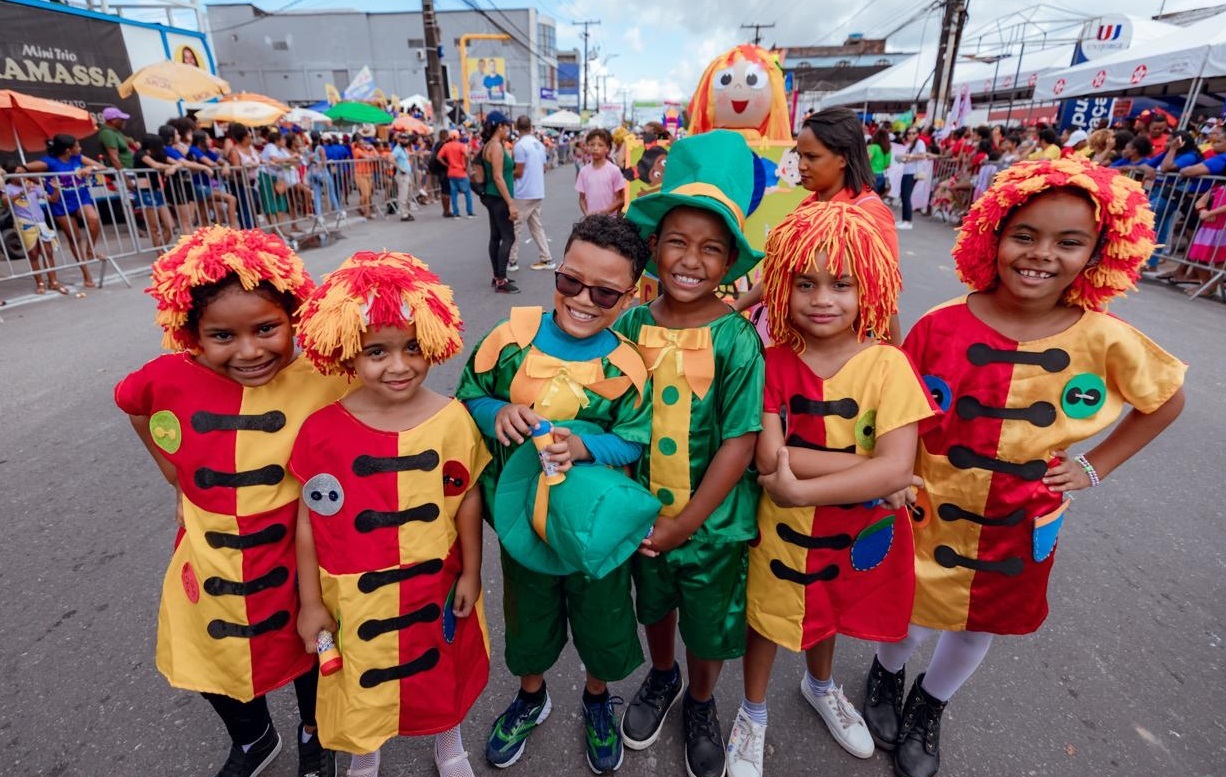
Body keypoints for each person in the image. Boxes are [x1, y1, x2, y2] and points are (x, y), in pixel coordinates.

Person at [860, 159, 1185, 777]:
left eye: (1069, 242)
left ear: (1098, 253)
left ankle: (931, 703)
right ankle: (886, 673)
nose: (1041, 255)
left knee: (981, 621)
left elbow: (1166, 399)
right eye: (1025, 235)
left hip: (1019, 517)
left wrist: (1095, 466)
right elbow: (894, 406)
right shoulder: (939, 324)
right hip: (929, 504)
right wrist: (887, 473)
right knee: (910, 609)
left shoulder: (1108, 338)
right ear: (993, 238)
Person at [114, 226, 349, 777]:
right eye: (222, 336)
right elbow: (134, 405)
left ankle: (316, 735)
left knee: (310, 648)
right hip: (211, 556)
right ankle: (254, 738)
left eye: (267, 328)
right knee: (212, 655)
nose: (249, 351)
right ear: (192, 332)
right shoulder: (168, 377)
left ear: (294, 316)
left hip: (299, 553)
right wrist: (176, 479)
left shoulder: (325, 379)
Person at [727, 200, 935, 777]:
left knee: (830, 606)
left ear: (869, 287)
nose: (822, 299)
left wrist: (802, 486)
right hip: (780, 531)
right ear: (781, 287)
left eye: (841, 284)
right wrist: (870, 469)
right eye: (805, 283)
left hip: (849, 527)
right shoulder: (768, 361)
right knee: (768, 616)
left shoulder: (890, 366)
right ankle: (752, 712)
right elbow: (769, 457)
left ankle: (821, 687)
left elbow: (895, 470)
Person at [455, 214, 653, 775]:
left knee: (603, 616)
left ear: (630, 296)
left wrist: (587, 448)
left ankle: (597, 698)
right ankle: (531, 695)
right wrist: (497, 412)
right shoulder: (508, 340)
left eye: (605, 293)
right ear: (557, 272)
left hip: (593, 525)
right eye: (571, 281)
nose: (583, 300)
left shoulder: (627, 364)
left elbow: (634, 439)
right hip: (524, 522)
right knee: (529, 614)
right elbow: (470, 395)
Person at [291, 250, 488, 777]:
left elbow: (467, 496)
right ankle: (365, 750)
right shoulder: (320, 430)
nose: (398, 366)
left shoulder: (453, 419)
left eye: (412, 347)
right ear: (347, 351)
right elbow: (308, 519)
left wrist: (471, 571)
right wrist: (310, 602)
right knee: (362, 673)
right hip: (353, 593)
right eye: (376, 351)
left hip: (434, 580)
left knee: (441, 662)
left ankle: (449, 743)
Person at [614, 131, 766, 777]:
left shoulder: (736, 338)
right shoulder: (630, 325)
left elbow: (740, 439)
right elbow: (611, 414)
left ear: (729, 260)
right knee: (654, 602)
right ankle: (662, 674)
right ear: (654, 247)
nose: (691, 260)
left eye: (710, 248)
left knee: (708, 623)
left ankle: (701, 700)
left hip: (713, 525)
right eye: (677, 241)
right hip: (644, 514)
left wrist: (687, 523)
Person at [24, 134, 103, 287]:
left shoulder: (78, 158)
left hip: (81, 199)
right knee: (75, 238)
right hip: (61, 204)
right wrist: (41, 182)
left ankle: (90, 251)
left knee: (93, 218)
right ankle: (86, 275)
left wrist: (90, 168)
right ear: (68, 150)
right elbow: (24, 168)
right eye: (77, 146)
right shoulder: (50, 162)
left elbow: (101, 166)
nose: (80, 148)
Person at [2, 160, 66, 294]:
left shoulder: (32, 185)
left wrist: (56, 189)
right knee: (33, 254)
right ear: (11, 176)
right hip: (24, 224)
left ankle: (53, 281)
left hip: (41, 223)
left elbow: (52, 199)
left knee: (48, 252)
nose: (22, 176)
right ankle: (40, 283)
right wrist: (22, 193)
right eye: (18, 174)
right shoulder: (8, 188)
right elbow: (6, 202)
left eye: (23, 173)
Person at [479, 111, 520, 293]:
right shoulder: (495, 146)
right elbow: (497, 176)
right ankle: (501, 280)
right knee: (508, 237)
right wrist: (510, 202)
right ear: (500, 127)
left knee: (496, 236)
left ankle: (498, 276)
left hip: (492, 196)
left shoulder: (490, 145)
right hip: (499, 197)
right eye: (506, 127)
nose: (508, 130)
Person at [511, 115, 555, 272]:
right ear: (530, 127)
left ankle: (511, 260)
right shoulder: (539, 145)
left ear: (517, 127)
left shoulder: (520, 146)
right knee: (536, 226)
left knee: (516, 226)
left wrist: (507, 174)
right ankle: (546, 257)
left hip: (524, 192)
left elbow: (519, 171)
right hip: (537, 190)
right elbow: (544, 167)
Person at [575, 128, 627, 216]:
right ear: (587, 147)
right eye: (592, 145)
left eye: (600, 145)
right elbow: (582, 199)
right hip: (591, 220)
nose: (595, 148)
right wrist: (587, 214)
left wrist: (606, 212)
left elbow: (621, 198)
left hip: (610, 220)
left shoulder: (614, 170)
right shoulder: (583, 171)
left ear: (607, 148)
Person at [226, 124, 262, 230]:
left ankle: (255, 231)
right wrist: (247, 167)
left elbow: (259, 159)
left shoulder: (251, 148)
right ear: (243, 137)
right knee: (245, 209)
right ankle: (248, 231)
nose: (251, 139)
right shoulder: (234, 151)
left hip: (253, 182)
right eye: (249, 137)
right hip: (241, 184)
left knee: (254, 207)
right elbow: (236, 168)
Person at [438, 130, 474, 219]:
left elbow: (438, 157)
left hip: (451, 172)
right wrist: (465, 166)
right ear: (458, 137)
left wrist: (447, 164)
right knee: (467, 193)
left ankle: (456, 213)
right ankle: (469, 212)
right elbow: (466, 155)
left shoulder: (446, 146)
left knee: (453, 194)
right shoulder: (461, 145)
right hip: (461, 172)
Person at [896, 126, 927, 230]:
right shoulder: (910, 145)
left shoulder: (920, 143)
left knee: (906, 196)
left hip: (913, 172)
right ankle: (904, 219)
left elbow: (923, 156)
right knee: (903, 195)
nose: (911, 135)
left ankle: (908, 221)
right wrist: (903, 159)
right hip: (907, 171)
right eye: (909, 133)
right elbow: (908, 158)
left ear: (917, 134)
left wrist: (910, 156)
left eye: (913, 133)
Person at [98, 106, 136, 171]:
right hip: (122, 172)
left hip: (128, 170)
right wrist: (124, 176)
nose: (124, 122)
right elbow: (114, 158)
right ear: (113, 120)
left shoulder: (116, 131)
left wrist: (132, 142)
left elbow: (126, 140)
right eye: (122, 119)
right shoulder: (107, 133)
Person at [391, 133, 417, 222]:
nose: (405, 140)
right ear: (399, 139)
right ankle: (404, 214)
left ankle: (407, 212)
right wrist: (400, 168)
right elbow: (390, 159)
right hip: (402, 175)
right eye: (403, 138)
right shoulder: (397, 149)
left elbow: (410, 156)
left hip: (407, 174)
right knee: (403, 195)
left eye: (406, 138)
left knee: (409, 194)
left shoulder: (404, 149)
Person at [429, 129, 454, 219]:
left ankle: (445, 210)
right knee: (446, 190)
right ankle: (447, 210)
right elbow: (440, 157)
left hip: (440, 170)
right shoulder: (443, 145)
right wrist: (447, 164)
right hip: (444, 170)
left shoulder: (437, 144)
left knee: (444, 190)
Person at [869, 127, 892, 196]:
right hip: (881, 175)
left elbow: (867, 159)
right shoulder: (888, 150)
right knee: (876, 196)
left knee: (869, 195)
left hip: (871, 175)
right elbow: (887, 165)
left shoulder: (874, 147)